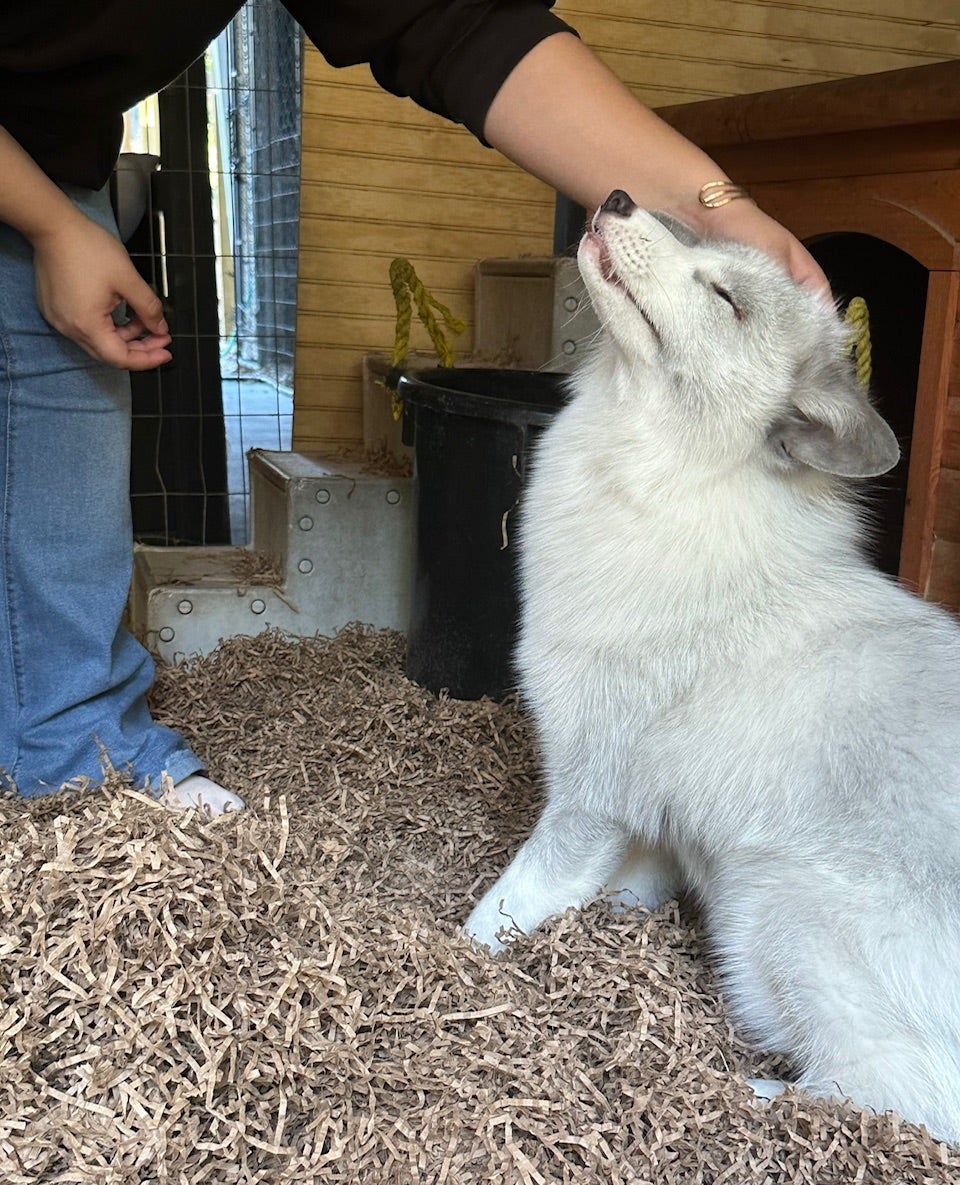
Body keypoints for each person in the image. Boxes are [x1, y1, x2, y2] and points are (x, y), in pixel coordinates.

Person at [0, 3, 828, 812]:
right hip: (38, 178)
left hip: (55, 151)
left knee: (62, 437)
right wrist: (48, 228)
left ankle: (68, 741)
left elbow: (454, 18)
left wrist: (713, 203)